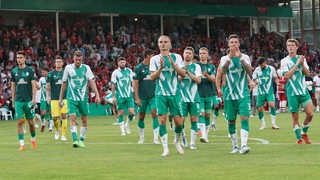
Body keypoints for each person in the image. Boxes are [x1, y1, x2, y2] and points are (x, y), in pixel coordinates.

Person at [150, 35, 186, 157]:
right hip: (160, 94)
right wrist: (160, 67)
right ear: (158, 44)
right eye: (161, 42)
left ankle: (176, 141)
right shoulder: (154, 59)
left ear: (170, 44)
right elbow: (152, 77)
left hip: (175, 94)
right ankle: (165, 149)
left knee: (179, 122)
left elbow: (183, 74)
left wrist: (173, 65)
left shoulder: (177, 57)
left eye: (165, 42)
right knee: (162, 120)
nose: (163, 44)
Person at [218, 34, 252, 154]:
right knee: (231, 121)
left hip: (243, 94)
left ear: (239, 44)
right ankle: (235, 146)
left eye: (236, 42)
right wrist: (230, 58)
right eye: (231, 42)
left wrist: (241, 58)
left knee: (244, 118)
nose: (234, 44)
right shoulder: (224, 59)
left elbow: (250, 71)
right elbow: (223, 71)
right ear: (228, 44)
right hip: (229, 95)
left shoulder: (246, 57)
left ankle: (244, 145)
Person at [59, 50, 101, 148]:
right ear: (73, 58)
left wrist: (97, 95)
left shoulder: (86, 68)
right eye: (76, 59)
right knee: (72, 117)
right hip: (71, 97)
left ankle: (81, 139)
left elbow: (92, 81)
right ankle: (75, 140)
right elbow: (64, 83)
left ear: (82, 59)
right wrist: (60, 98)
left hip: (83, 98)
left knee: (84, 119)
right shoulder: (68, 68)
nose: (78, 61)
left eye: (80, 60)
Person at [278, 38, 313, 144]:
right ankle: (299, 138)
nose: (290, 47)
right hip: (292, 92)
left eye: (292, 45)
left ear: (297, 47)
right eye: (288, 45)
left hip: (303, 91)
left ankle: (304, 132)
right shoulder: (284, 61)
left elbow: (308, 74)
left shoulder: (302, 59)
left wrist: (302, 64)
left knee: (310, 114)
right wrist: (297, 64)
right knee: (295, 116)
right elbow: (287, 76)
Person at [133, 49, 160, 144]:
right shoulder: (139, 67)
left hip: (154, 95)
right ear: (148, 56)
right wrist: (136, 98)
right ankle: (141, 138)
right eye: (153, 55)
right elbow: (135, 83)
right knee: (141, 116)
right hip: (142, 96)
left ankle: (156, 138)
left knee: (154, 113)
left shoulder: (156, 66)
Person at [11, 51, 37, 150]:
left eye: (21, 57)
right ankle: (22, 145)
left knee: (31, 123)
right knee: (20, 122)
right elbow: (13, 87)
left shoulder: (30, 70)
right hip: (18, 101)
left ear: (25, 58)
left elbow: (34, 85)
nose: (19, 59)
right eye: (17, 58)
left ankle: (33, 140)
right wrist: (13, 101)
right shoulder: (14, 71)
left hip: (29, 101)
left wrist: (34, 99)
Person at [178, 46, 202, 150]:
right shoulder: (178, 65)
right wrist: (183, 73)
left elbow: (198, 80)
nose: (187, 55)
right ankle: (183, 137)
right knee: (181, 121)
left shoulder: (196, 67)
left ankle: (192, 143)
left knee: (194, 119)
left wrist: (188, 73)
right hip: (182, 98)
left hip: (194, 97)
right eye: (186, 53)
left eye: (190, 53)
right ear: (183, 54)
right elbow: (177, 79)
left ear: (192, 56)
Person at [197, 47, 218, 143]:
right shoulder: (196, 66)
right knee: (201, 114)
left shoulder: (211, 66)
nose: (202, 55)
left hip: (209, 94)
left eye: (204, 53)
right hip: (198, 94)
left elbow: (213, 79)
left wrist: (206, 76)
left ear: (207, 54)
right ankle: (203, 135)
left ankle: (206, 134)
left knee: (207, 115)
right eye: (200, 53)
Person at [252, 57, 280, 130]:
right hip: (260, 92)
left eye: (262, 65)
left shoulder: (271, 69)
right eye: (260, 65)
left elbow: (276, 77)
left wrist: (278, 83)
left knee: (272, 104)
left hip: (269, 91)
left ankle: (273, 124)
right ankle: (263, 124)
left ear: (265, 62)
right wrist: (253, 84)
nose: (261, 66)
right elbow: (254, 79)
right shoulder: (257, 70)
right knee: (260, 108)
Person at [111, 57, 135, 136]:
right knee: (120, 113)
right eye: (121, 62)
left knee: (131, 112)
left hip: (129, 95)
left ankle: (127, 124)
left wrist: (134, 92)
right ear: (118, 63)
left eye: (124, 62)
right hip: (120, 96)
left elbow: (133, 82)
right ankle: (122, 131)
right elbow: (113, 85)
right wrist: (113, 96)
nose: (122, 64)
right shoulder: (115, 73)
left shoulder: (129, 71)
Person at [46, 56, 68, 141]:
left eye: (60, 61)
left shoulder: (66, 73)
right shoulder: (50, 74)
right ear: (55, 63)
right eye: (57, 62)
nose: (58, 63)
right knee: (54, 118)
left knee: (64, 115)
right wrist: (48, 96)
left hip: (64, 98)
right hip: (54, 98)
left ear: (62, 63)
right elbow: (47, 87)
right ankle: (57, 130)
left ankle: (63, 135)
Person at [39, 67, 53, 132]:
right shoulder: (41, 79)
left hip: (51, 98)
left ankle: (50, 128)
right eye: (41, 72)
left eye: (43, 72)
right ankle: (43, 124)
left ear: (47, 72)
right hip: (43, 98)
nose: (42, 73)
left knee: (51, 113)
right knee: (43, 113)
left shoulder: (51, 78)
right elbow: (39, 87)